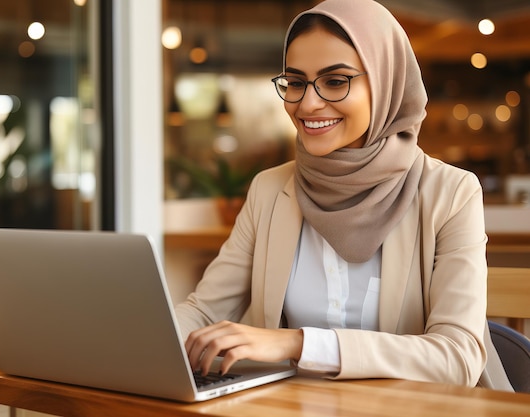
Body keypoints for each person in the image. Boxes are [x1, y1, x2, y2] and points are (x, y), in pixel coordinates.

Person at [174, 0, 513, 391]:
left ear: (386, 84)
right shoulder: (270, 190)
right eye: (296, 82)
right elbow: (203, 312)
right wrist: (141, 346)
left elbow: (456, 358)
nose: (307, 103)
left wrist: (299, 343)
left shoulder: (450, 193)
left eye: (335, 81)